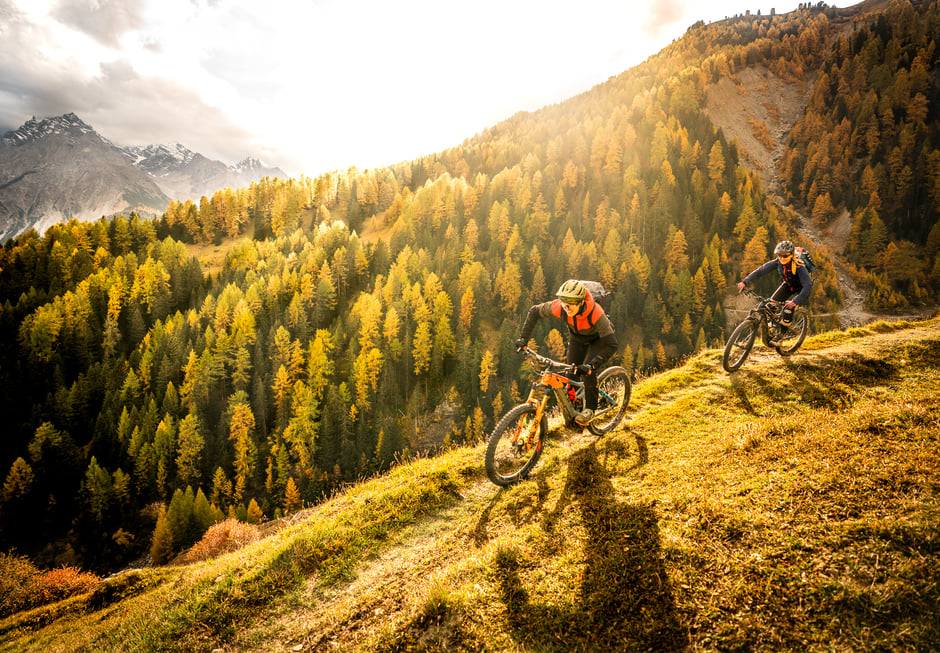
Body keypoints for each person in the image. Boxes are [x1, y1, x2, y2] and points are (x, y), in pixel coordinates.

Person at [515, 279, 618, 425]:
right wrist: (523, 339)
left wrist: (591, 365)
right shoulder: (561, 307)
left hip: (599, 340)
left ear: (581, 302)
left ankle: (590, 409)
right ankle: (574, 412)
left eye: (571, 303)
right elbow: (535, 311)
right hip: (577, 338)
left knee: (588, 371)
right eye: (564, 302)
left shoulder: (596, 313)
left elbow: (612, 345)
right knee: (570, 374)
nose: (566, 307)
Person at [736, 240, 813, 340]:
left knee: (788, 310)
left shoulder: (800, 267)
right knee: (769, 306)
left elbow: (807, 286)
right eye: (779, 255)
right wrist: (745, 282)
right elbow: (760, 271)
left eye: (785, 256)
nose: (782, 258)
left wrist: (795, 301)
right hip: (788, 285)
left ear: (791, 255)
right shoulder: (778, 262)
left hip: (801, 289)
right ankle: (772, 329)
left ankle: (781, 335)